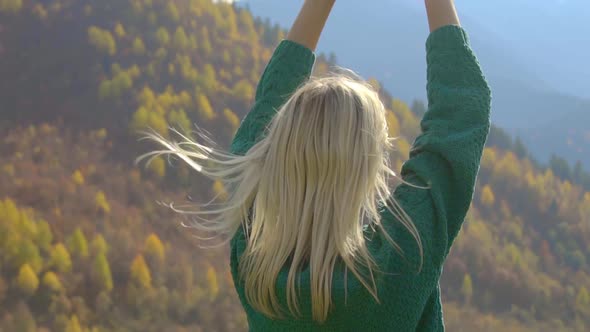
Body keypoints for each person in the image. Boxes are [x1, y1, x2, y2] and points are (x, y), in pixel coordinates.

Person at [138, 0, 491, 330]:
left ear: (277, 154)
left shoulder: (255, 262)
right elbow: (463, 111)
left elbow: (265, 114)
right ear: (365, 168)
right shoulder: (399, 257)